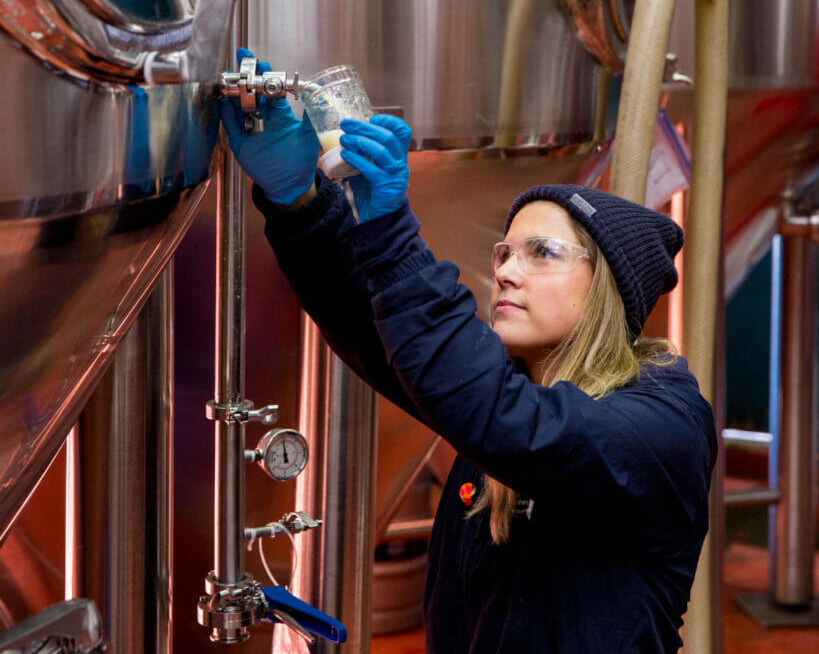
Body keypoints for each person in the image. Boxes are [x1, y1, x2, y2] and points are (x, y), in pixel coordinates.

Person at [222, 54, 717, 653]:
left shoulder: (660, 423)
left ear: (608, 288)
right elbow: (378, 329)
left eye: (542, 253)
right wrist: (300, 199)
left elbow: (505, 418)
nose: (508, 271)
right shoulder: (510, 389)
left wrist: (393, 232)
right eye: (505, 253)